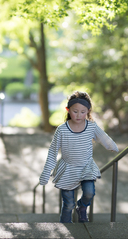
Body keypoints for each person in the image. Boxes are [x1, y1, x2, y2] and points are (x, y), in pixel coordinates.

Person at [39, 91, 119, 223]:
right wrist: (46, 173)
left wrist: (112, 146)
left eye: (83, 112)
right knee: (68, 205)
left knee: (89, 193)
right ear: (68, 110)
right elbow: (53, 151)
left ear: (88, 111)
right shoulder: (62, 130)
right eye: (75, 111)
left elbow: (103, 137)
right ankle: (65, 229)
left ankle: (82, 207)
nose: (79, 115)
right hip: (67, 169)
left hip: (86, 168)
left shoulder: (91, 127)